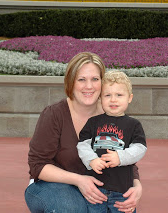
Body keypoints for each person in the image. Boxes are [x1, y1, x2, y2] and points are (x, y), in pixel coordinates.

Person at [25, 52, 143, 213]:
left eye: (95, 79)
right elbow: (37, 165)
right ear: (71, 82)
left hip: (99, 188)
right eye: (82, 79)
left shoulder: (112, 115)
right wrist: (79, 180)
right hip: (52, 185)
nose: (89, 86)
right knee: (73, 209)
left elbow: (124, 157)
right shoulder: (54, 114)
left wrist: (136, 186)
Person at [77, 71, 147, 213]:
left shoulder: (133, 125)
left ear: (129, 98)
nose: (113, 100)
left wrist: (120, 157)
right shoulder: (93, 122)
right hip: (96, 188)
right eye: (107, 95)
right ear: (100, 99)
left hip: (122, 189)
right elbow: (82, 144)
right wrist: (91, 160)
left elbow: (140, 148)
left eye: (119, 95)